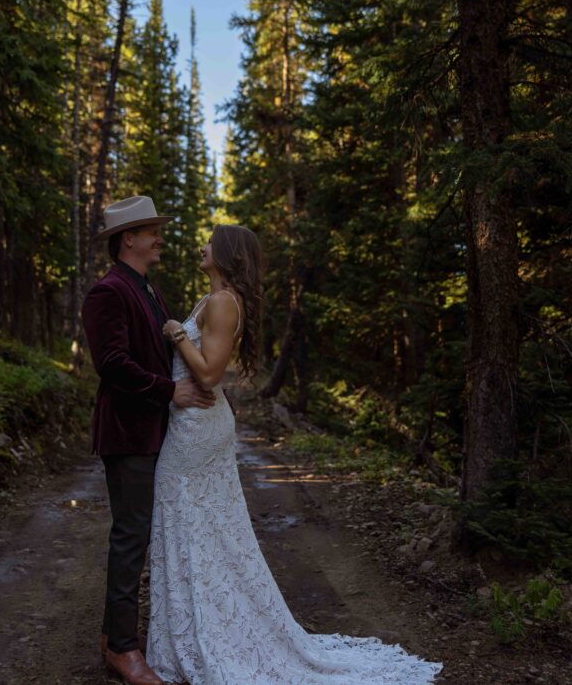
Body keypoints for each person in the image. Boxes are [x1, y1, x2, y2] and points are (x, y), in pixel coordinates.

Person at [147, 223, 444, 684]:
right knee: (196, 527)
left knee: (195, 525)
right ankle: (192, 631)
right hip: (191, 423)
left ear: (227, 254)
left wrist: (175, 335)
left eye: (210, 240)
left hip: (199, 428)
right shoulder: (212, 299)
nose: (202, 245)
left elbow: (209, 376)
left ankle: (208, 635)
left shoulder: (224, 302)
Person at [82, 195, 216, 685]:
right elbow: (112, 364)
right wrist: (170, 390)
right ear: (128, 239)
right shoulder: (108, 292)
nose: (159, 237)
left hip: (152, 431)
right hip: (127, 432)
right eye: (151, 230)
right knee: (131, 536)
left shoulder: (146, 289)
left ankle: (110, 635)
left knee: (139, 533)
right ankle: (122, 649)